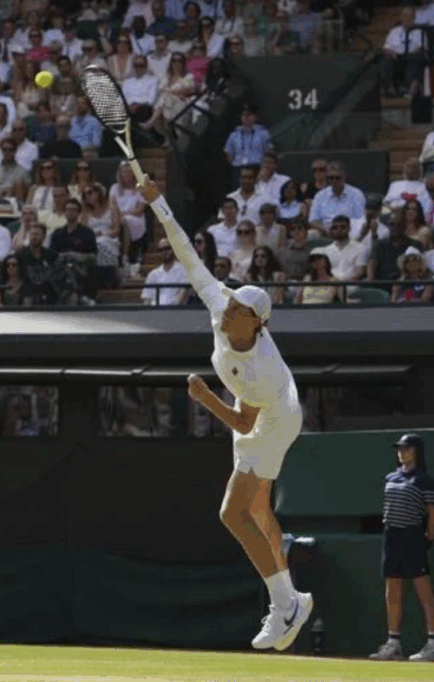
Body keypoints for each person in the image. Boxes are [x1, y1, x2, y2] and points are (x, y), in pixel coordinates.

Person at [138, 177, 312, 651]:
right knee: (253, 509)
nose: (228, 306)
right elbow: (187, 253)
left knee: (233, 513)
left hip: (274, 418)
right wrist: (159, 204)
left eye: (238, 306)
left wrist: (204, 396)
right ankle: (293, 600)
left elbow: (243, 423)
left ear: (256, 323)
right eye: (231, 301)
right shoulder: (219, 306)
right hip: (257, 409)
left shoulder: (260, 370)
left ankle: (286, 604)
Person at [369, 434, 434, 662]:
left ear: (417, 451)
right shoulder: (390, 477)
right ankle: (394, 644)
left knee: (423, 589)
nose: (402, 452)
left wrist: (429, 537)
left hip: (413, 538)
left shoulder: (424, 480)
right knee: (392, 589)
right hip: (391, 537)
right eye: (400, 449)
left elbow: (433, 512)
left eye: (407, 448)